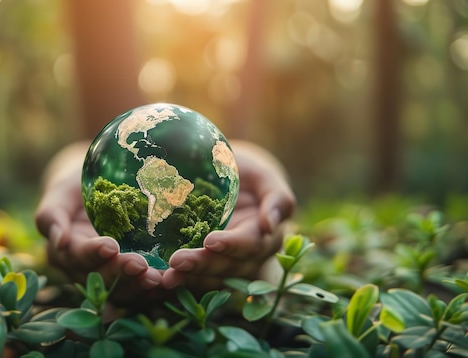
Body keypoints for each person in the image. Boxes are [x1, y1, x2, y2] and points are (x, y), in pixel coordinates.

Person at [34, 1, 296, 307]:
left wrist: (262, 161)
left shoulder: (194, 147)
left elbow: (244, 166)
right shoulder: (118, 143)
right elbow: (77, 156)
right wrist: (63, 171)